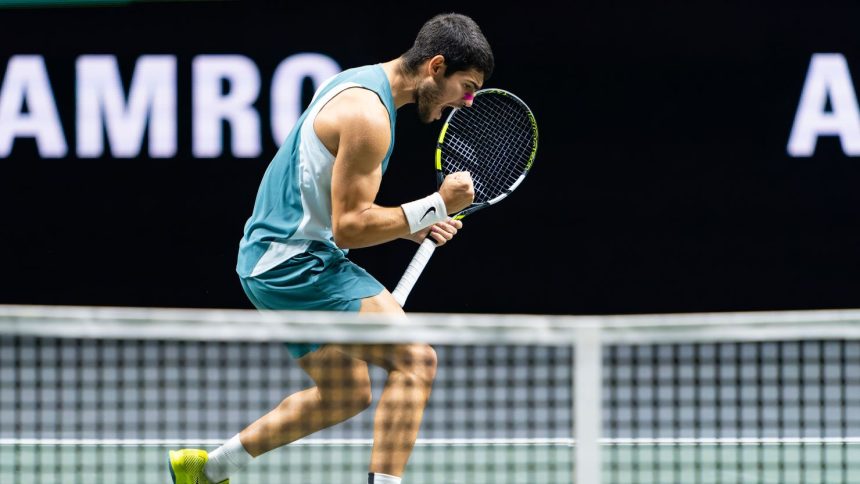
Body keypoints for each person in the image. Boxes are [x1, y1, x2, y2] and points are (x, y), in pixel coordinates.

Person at [168, 12, 493, 484]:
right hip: (297, 263)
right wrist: (435, 205)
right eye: (466, 86)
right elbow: (350, 229)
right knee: (416, 360)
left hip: (264, 259)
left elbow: (330, 202)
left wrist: (413, 226)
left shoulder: (358, 82)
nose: (466, 102)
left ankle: (207, 469)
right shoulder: (369, 118)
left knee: (345, 393)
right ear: (436, 66)